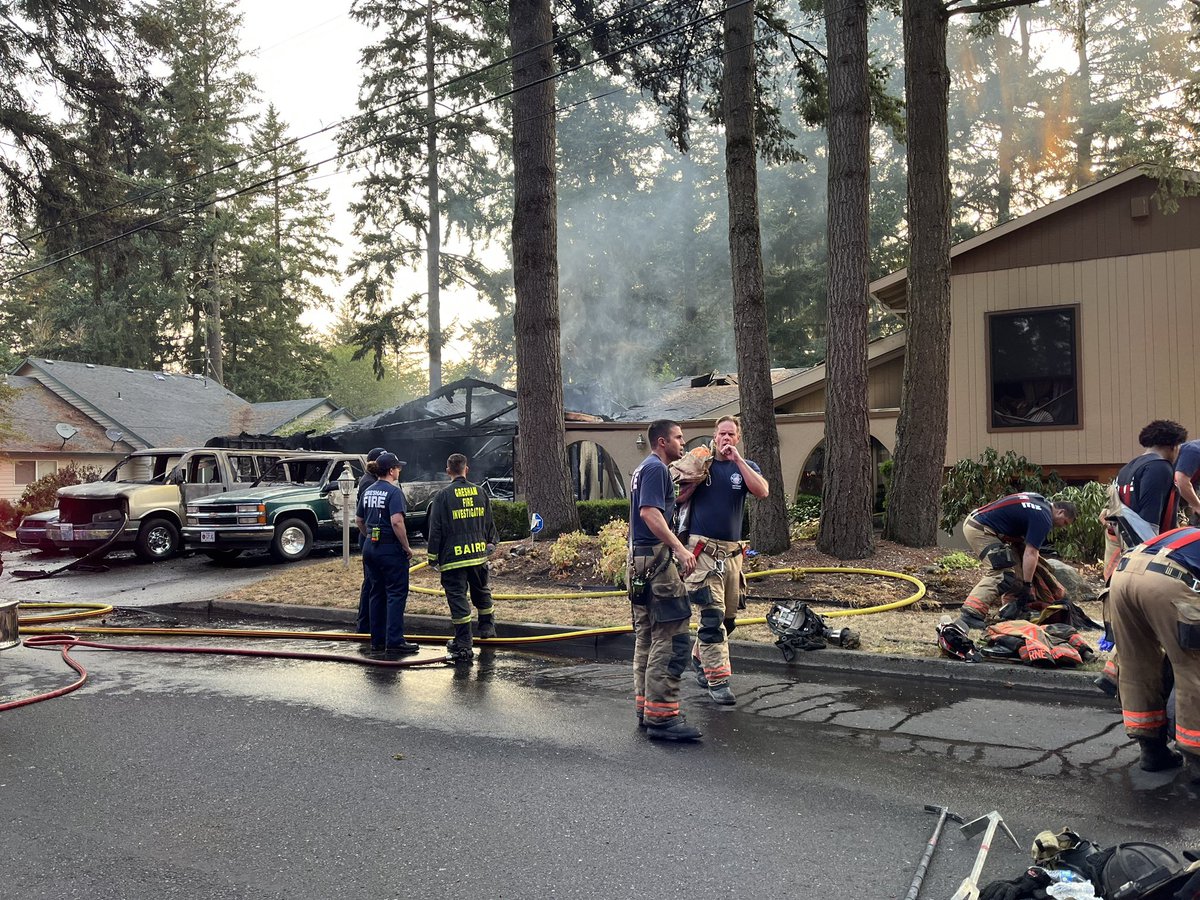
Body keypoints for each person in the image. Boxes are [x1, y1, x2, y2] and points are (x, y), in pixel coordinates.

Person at [675, 416, 769, 706]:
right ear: (714, 437)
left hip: (732, 555)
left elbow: (762, 492)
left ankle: (699, 655)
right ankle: (718, 681)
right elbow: (677, 498)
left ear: (737, 438)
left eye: (731, 434)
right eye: (721, 434)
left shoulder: (746, 467)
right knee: (712, 617)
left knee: (728, 621)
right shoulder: (701, 464)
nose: (726, 439)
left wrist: (738, 460)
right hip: (703, 552)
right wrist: (695, 478)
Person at [1108, 526, 1200, 782]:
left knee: (1137, 665)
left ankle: (1152, 750)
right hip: (1169, 581)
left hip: (1124, 573)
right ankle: (1198, 760)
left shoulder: (1189, 532)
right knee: (1192, 668)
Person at [628, 419, 699, 742]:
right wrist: (679, 549)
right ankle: (663, 716)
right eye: (678, 438)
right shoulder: (656, 469)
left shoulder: (644, 469)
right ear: (661, 442)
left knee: (647, 635)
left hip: (640, 559)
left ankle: (646, 709)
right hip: (655, 560)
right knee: (672, 634)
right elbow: (649, 513)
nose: (682, 443)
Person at [951, 491, 1077, 632]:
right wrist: (1027, 585)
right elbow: (1031, 552)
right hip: (981, 530)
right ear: (1060, 512)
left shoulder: (1037, 499)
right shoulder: (1044, 518)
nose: (1062, 526)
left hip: (979, 521)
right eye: (1064, 522)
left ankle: (1011, 611)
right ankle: (971, 613)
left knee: (1015, 572)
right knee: (1002, 573)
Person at [425, 453, 499, 663]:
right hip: (477, 556)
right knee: (482, 591)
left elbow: (435, 529)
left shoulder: (442, 496)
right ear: (467, 469)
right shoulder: (480, 492)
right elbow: (488, 522)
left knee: (458, 599)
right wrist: (491, 542)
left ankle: (464, 643)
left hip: (454, 559)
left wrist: (432, 557)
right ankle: (487, 628)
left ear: (448, 471)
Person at [355, 451, 418, 655]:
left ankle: (377, 641)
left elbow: (359, 521)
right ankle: (395, 641)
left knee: (376, 593)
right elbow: (397, 521)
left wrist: (370, 536)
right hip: (389, 548)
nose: (399, 470)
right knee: (395, 593)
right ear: (391, 470)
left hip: (370, 548)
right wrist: (406, 547)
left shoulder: (368, 490)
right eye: (398, 467)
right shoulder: (393, 492)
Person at [355, 447, 388, 636]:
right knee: (371, 583)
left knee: (372, 582)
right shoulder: (370, 484)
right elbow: (365, 518)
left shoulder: (370, 480)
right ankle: (365, 625)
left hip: (369, 538)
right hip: (371, 537)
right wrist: (371, 537)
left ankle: (367, 624)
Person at [1173, 438, 1200, 523]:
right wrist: (1197, 506)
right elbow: (1181, 480)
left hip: (1181, 497)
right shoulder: (1194, 450)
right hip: (1167, 494)